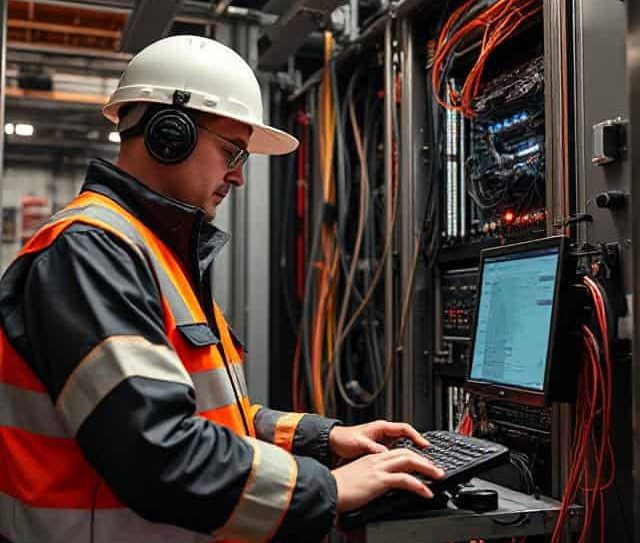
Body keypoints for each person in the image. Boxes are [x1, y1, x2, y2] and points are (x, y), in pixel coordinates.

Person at [0, 35, 443, 543]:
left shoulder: (148, 248)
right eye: (232, 152)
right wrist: (325, 488)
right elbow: (158, 451)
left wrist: (323, 439)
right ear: (171, 134)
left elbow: (201, 414)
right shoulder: (90, 253)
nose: (238, 177)